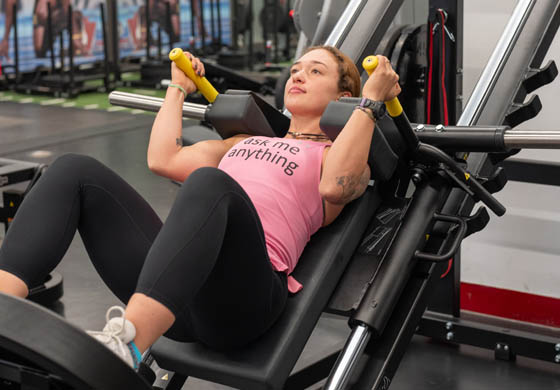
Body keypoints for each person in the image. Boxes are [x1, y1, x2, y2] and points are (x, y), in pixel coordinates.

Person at [0, 46, 400, 369]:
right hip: (180, 294)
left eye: (315, 72)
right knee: (75, 170)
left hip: (243, 301)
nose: (297, 75)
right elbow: (163, 158)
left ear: (342, 96)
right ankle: (3, 316)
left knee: (211, 182)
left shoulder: (337, 157)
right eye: (296, 69)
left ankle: (127, 347)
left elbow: (335, 186)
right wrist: (177, 89)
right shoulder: (240, 142)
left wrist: (371, 102)